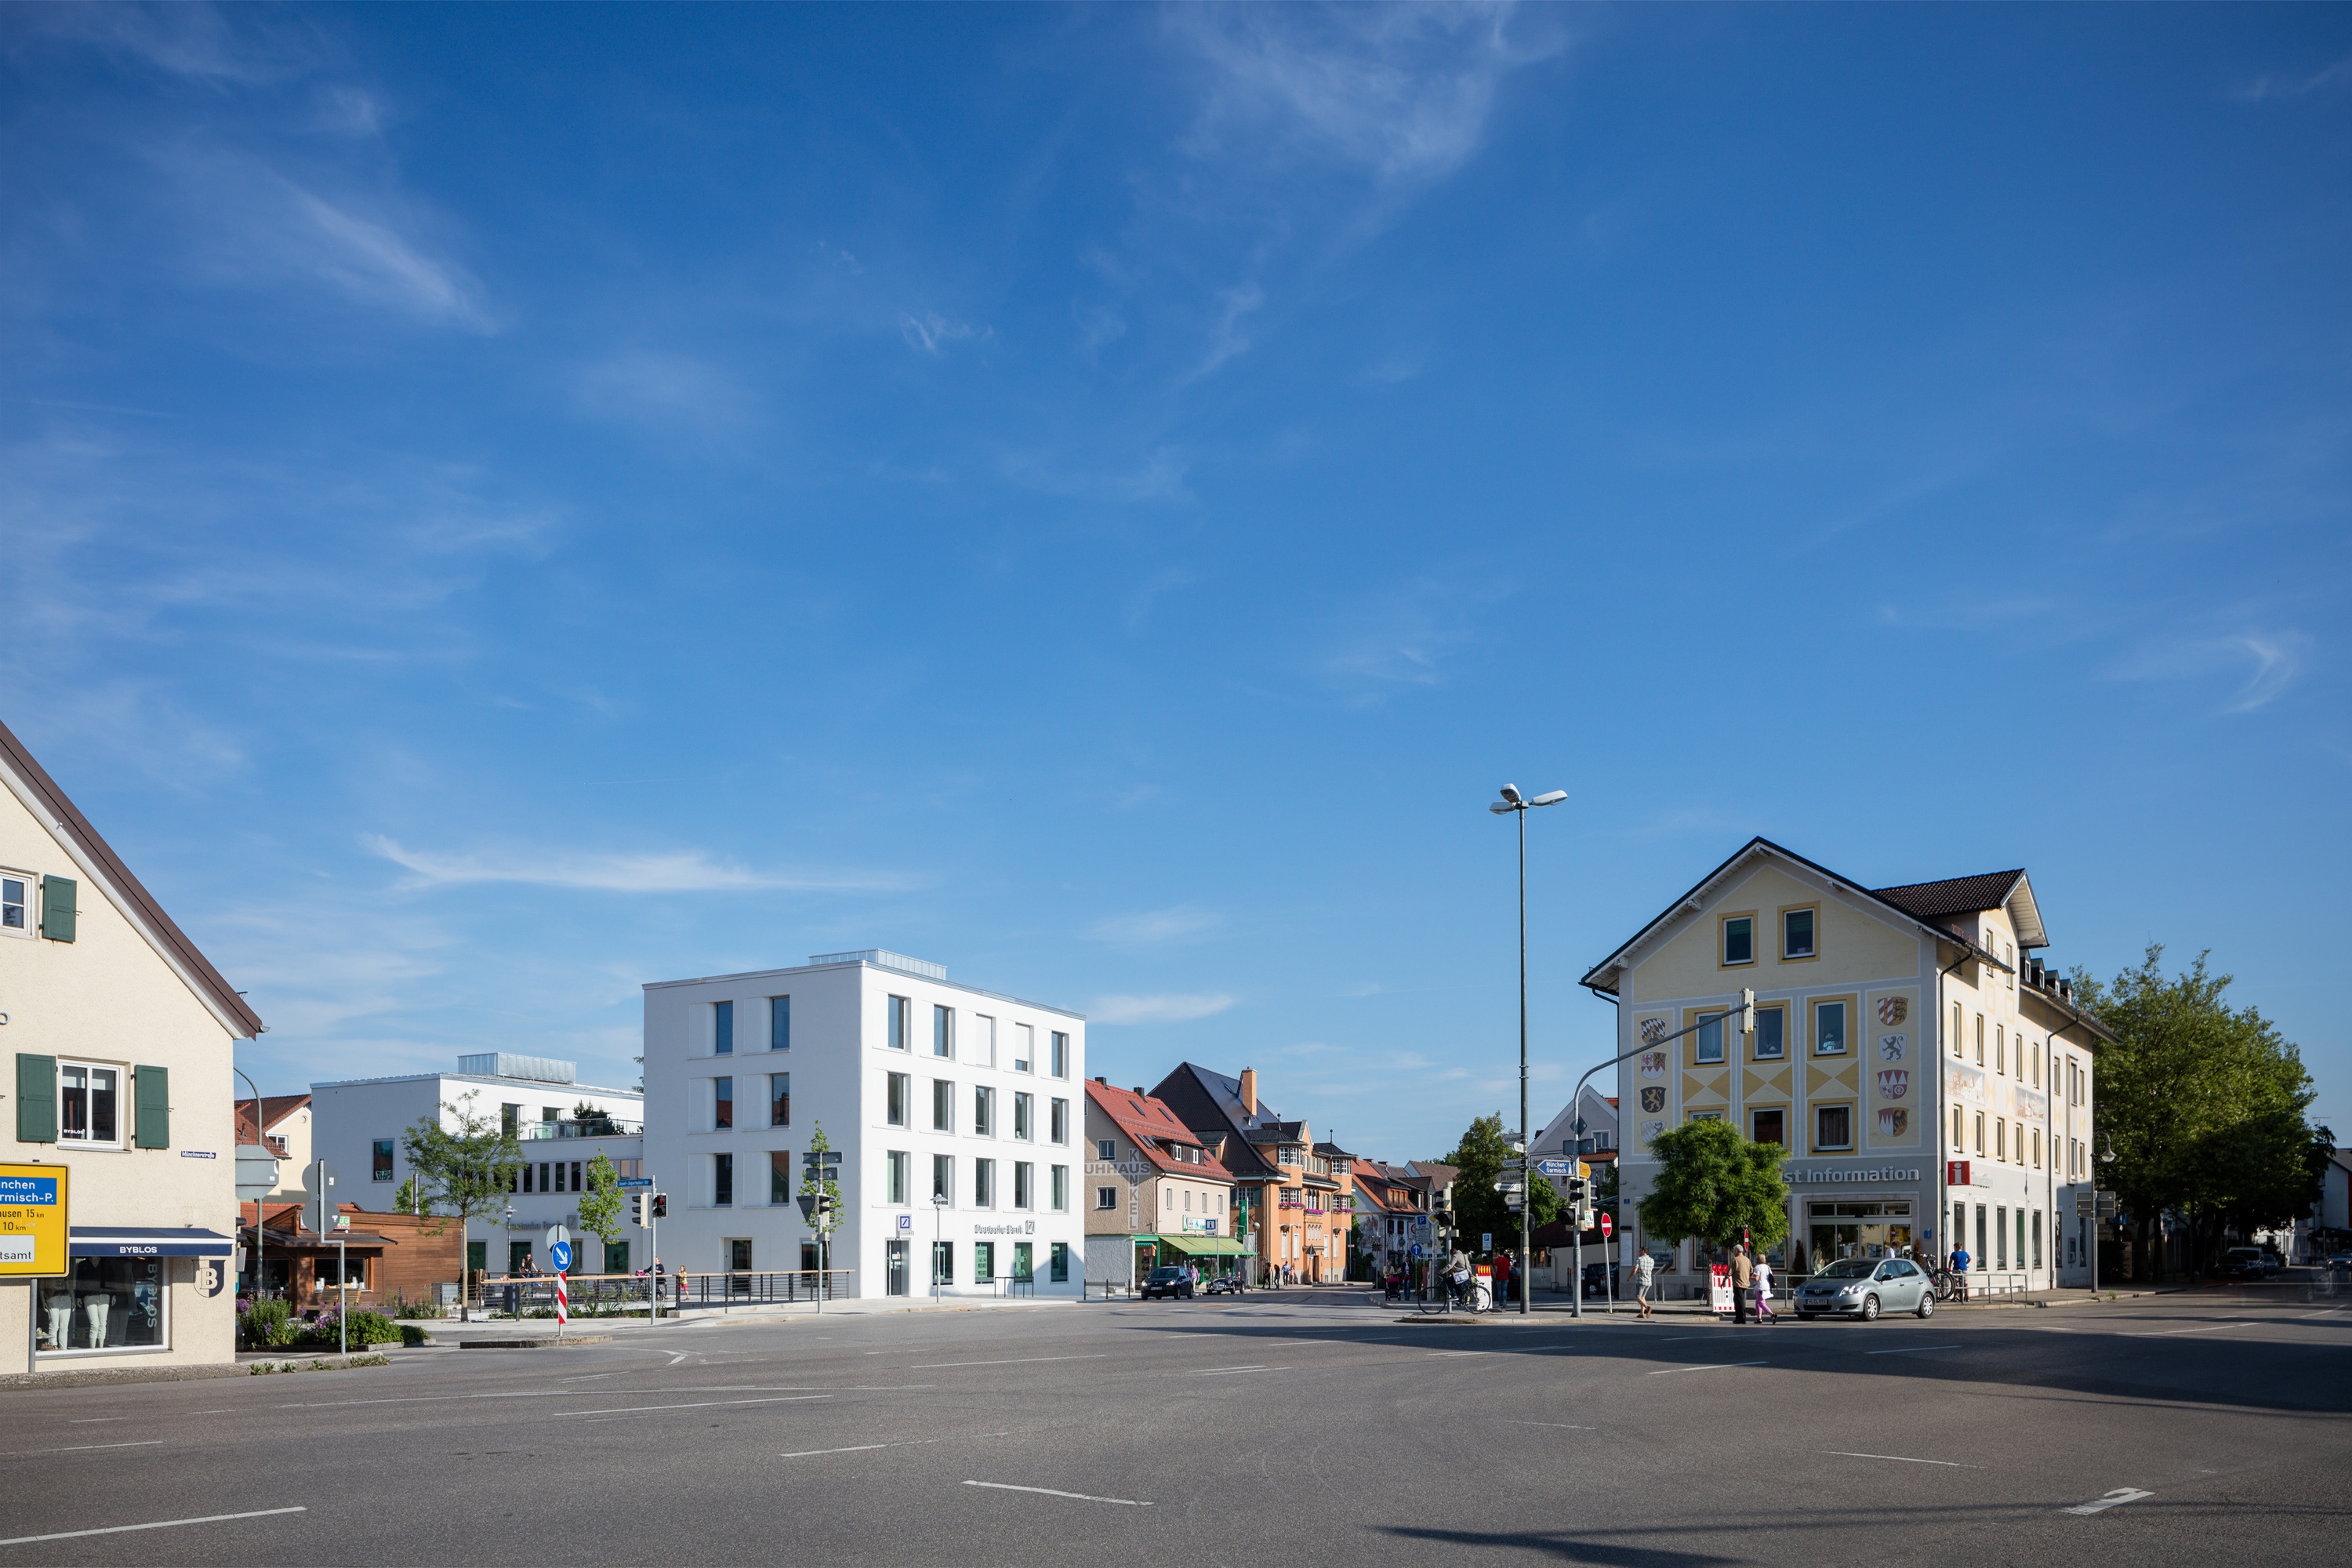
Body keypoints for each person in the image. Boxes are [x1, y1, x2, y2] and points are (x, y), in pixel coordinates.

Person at [1730, 1244, 1754, 1323]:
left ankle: (1742, 1318)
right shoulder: (1747, 1260)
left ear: (1736, 1251)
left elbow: (1729, 1272)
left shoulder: (1735, 1260)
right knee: (1737, 1300)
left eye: (1733, 1251)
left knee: (1739, 1301)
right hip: (1745, 1283)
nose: (1733, 1252)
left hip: (1738, 1284)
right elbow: (1751, 1271)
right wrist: (1747, 1276)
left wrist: (1723, 1281)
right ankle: (1739, 1317)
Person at [1634, 1248, 1656, 1319]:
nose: (1639, 1252)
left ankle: (1647, 1307)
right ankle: (1642, 1313)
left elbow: (1635, 1269)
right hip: (1648, 1282)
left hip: (1641, 1281)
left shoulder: (1639, 1259)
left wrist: (1629, 1277)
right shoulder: (1652, 1260)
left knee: (1638, 1298)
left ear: (1643, 1251)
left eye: (1639, 1251)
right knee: (1643, 1297)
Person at [1755, 1254, 1776, 1323]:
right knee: (1758, 1302)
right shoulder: (1767, 1267)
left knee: (1761, 1303)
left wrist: (1748, 1276)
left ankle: (1772, 1314)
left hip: (1760, 1287)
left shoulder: (1757, 1267)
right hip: (1767, 1286)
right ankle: (1759, 1318)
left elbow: (1756, 1278)